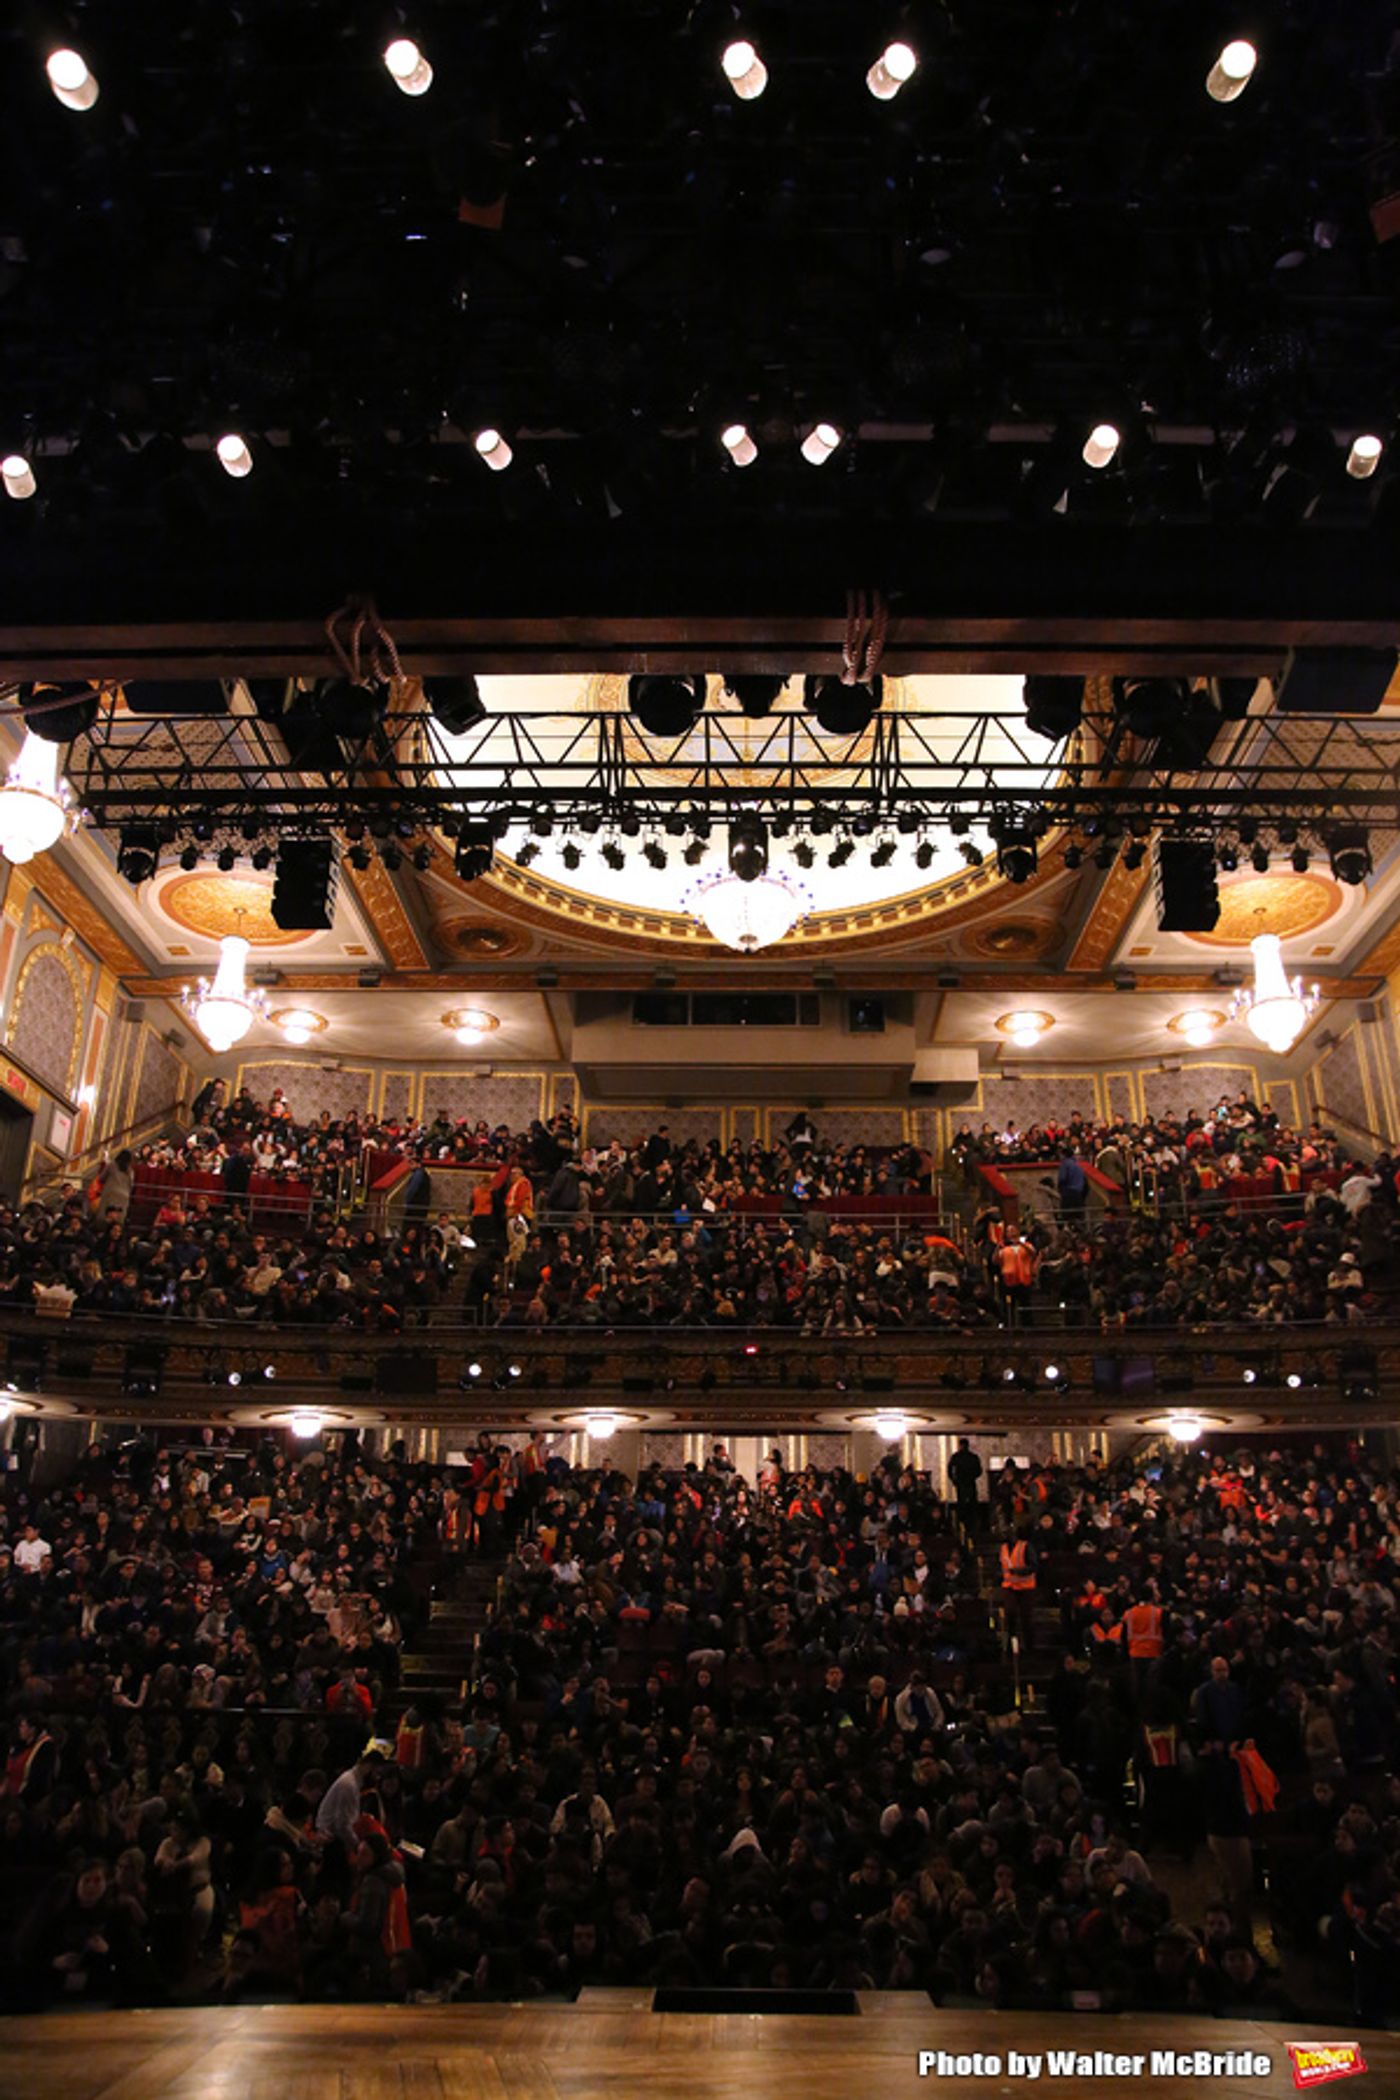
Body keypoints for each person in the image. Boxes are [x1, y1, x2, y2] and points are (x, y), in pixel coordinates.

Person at [948, 1438, 984, 1534]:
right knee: (971, 1507)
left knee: (963, 1507)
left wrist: (955, 1480)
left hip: (962, 1484)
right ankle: (970, 1528)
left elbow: (949, 1470)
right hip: (969, 1483)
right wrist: (971, 1477)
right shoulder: (973, 1457)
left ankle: (963, 1527)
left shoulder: (956, 1457)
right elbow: (979, 1471)